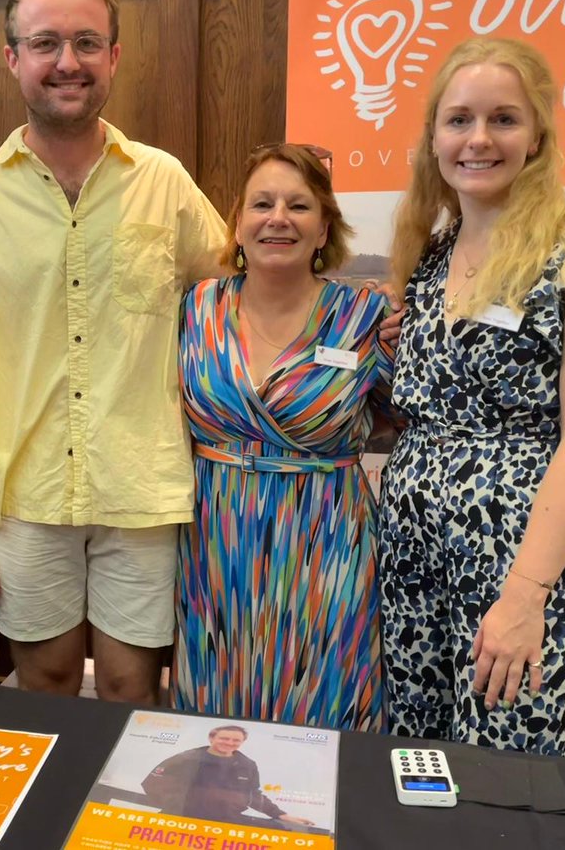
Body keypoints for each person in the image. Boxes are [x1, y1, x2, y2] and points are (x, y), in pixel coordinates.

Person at [0, 0, 230, 704]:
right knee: (42, 679)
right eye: (45, 43)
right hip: (26, 495)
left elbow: (234, 306)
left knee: (130, 685)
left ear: (113, 57)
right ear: (13, 58)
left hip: (142, 491)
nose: (67, 62)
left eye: (86, 43)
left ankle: (116, 824)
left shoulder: (164, 181)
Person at [379, 37, 565, 754]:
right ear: (434, 137)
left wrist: (525, 596)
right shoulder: (430, 258)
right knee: (418, 763)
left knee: (511, 768)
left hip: (516, 561)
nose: (478, 139)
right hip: (414, 558)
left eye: (503, 119)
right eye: (458, 119)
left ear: (537, 137)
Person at [173, 143, 395, 730]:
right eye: (262, 204)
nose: (278, 218)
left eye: (299, 206)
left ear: (324, 228)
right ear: (238, 224)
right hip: (216, 543)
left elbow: (404, 419)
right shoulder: (195, 308)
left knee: (327, 701)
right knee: (217, 707)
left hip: (325, 539)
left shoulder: (364, 318)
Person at [142, 725, 314, 828]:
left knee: (280, 829)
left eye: (235, 740)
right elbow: (153, 782)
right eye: (224, 738)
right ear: (212, 738)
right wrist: (176, 806)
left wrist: (281, 815)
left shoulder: (247, 765)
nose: (229, 743)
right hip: (181, 818)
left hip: (224, 822)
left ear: (242, 742)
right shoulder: (187, 758)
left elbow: (253, 795)